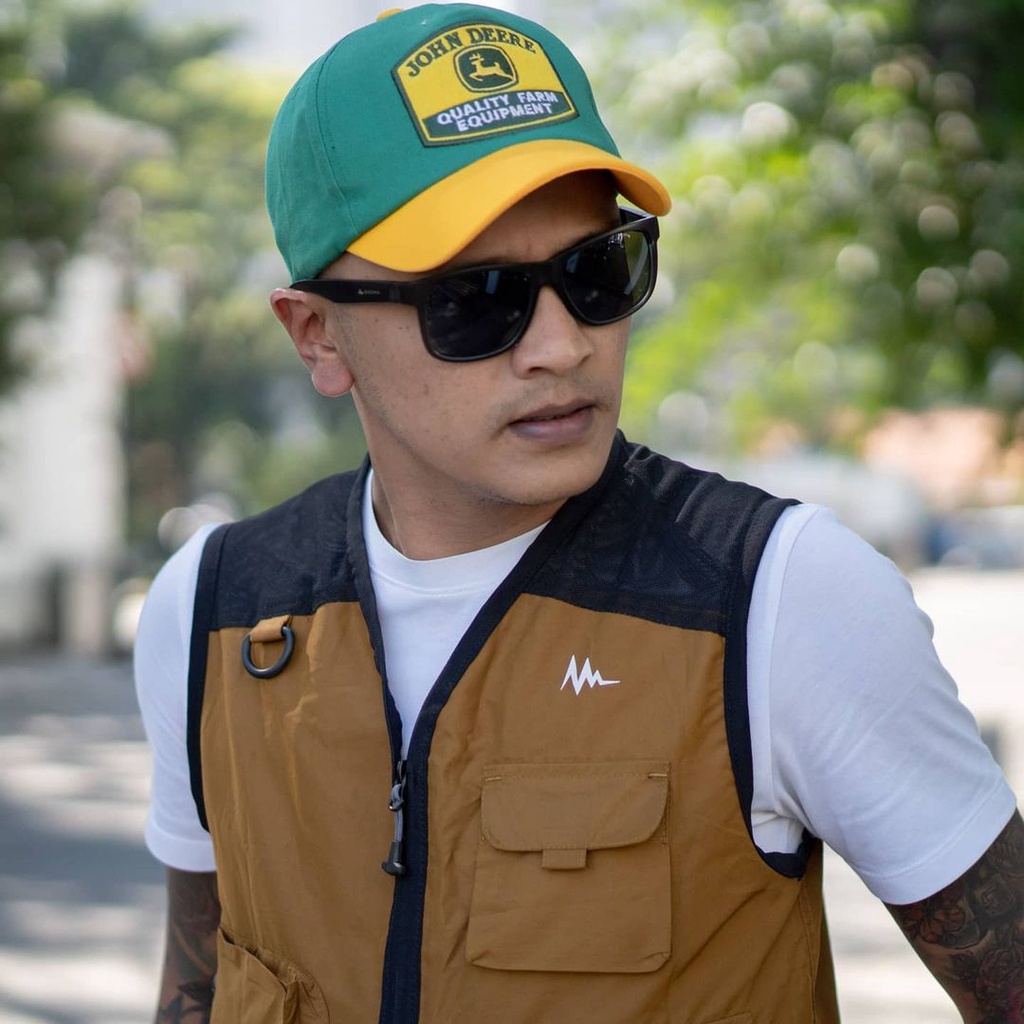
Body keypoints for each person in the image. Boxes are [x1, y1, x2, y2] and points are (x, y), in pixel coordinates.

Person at [134, 4, 1023, 1023]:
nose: (562, 346)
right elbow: (199, 990)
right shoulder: (214, 612)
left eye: (599, 272)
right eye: (477, 299)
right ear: (317, 336)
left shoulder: (780, 599)